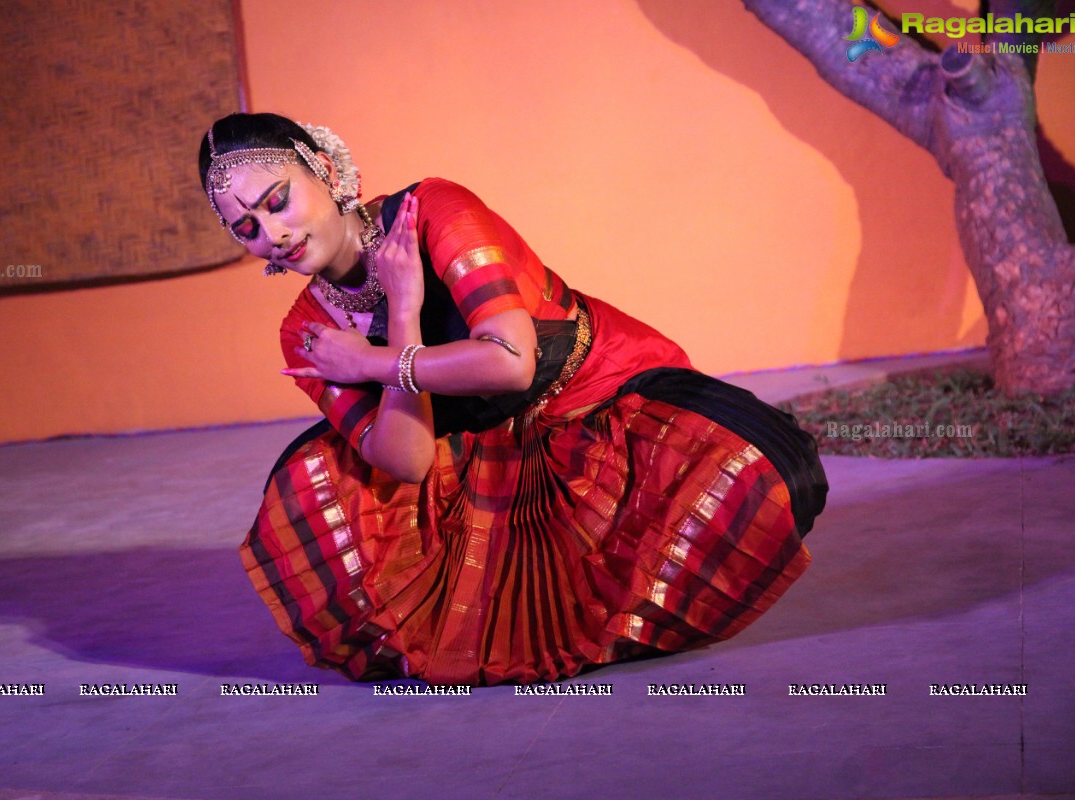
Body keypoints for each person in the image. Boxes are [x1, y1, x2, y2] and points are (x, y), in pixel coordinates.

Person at [199, 112, 827, 686]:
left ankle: (611, 597)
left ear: (325, 170)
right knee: (311, 489)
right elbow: (409, 460)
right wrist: (405, 312)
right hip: (482, 463)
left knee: (767, 474)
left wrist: (369, 360)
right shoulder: (305, 329)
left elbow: (509, 362)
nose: (273, 233)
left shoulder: (432, 210)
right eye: (246, 227)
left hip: (596, 400)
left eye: (277, 201)